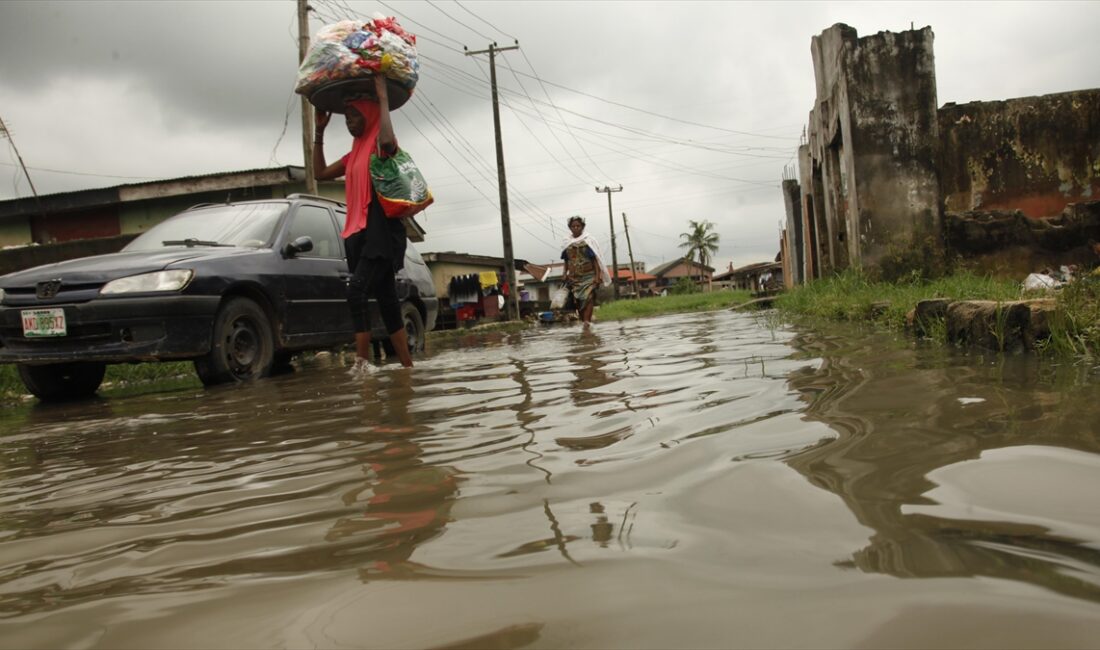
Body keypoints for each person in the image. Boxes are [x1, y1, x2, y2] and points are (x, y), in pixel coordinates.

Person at [313, 75, 413, 372]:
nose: (349, 122)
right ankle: (408, 368)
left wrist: (382, 99)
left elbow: (387, 139)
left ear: (368, 114)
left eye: (355, 116)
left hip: (381, 235)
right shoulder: (353, 153)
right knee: (387, 301)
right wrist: (320, 132)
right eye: (347, 118)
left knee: (356, 291)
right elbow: (319, 173)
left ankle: (362, 364)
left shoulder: (379, 147)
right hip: (358, 234)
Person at [560, 216, 612, 326]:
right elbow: (566, 260)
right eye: (573, 226)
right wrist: (565, 273)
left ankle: (587, 322)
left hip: (589, 275)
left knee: (588, 298)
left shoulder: (589, 241)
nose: (576, 228)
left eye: (578, 226)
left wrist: (597, 276)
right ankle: (585, 322)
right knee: (578, 300)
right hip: (574, 277)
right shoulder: (567, 242)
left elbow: (595, 260)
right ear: (570, 228)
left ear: (582, 227)